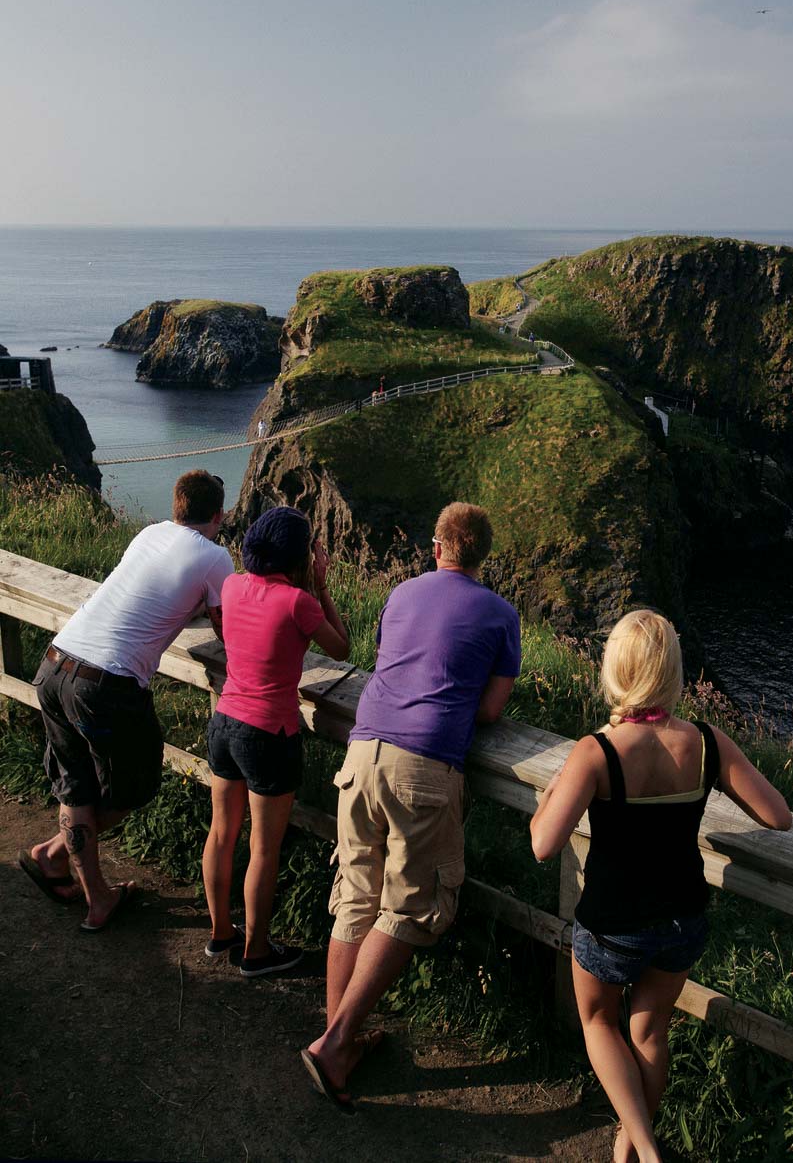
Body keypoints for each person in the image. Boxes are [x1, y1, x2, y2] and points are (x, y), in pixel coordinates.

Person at [529, 610, 792, 1163]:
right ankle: (629, 1145)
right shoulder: (706, 743)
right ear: (671, 671)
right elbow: (778, 815)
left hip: (611, 925)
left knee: (599, 1021)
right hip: (681, 920)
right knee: (649, 1034)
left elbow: (543, 844)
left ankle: (644, 1148)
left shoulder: (595, 751)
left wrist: (552, 794)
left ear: (615, 669)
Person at [301, 501, 521, 1111]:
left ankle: (335, 1037)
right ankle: (336, 1043)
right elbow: (490, 711)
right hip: (424, 764)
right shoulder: (502, 615)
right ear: (483, 554)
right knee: (411, 904)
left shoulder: (400, 594)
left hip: (362, 750)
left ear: (436, 546)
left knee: (356, 890)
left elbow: (386, 662)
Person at [20, 471, 234, 933]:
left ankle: (85, 886)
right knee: (136, 784)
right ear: (219, 514)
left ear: (177, 506)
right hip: (105, 683)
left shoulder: (149, 533)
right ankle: (59, 858)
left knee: (76, 784)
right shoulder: (216, 557)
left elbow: (150, 589)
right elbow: (227, 631)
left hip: (57, 662)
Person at [202, 507, 349, 976]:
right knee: (263, 848)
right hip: (270, 732)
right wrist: (322, 585)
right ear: (300, 555)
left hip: (224, 720)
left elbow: (229, 632)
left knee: (222, 833)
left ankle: (221, 932)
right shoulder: (298, 602)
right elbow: (342, 648)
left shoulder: (232, 586)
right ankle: (256, 952)